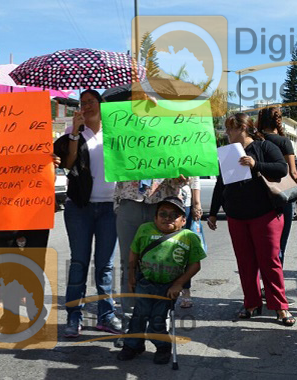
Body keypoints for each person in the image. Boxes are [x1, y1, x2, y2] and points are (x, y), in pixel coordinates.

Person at [207, 113, 295, 326]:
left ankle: (280, 307)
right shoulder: (227, 153)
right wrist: (212, 212)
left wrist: (256, 164)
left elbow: (282, 169)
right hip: (237, 216)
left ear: (242, 128)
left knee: (270, 262)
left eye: (230, 128)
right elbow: (221, 184)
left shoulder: (264, 147)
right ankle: (251, 303)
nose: (227, 133)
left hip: (264, 214)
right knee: (245, 263)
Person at [54, 90, 121, 338]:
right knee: (79, 263)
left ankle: (106, 315)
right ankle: (74, 316)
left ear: (102, 106)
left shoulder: (116, 133)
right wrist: (73, 132)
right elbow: (68, 164)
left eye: (92, 102)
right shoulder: (73, 134)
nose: (87, 106)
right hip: (79, 208)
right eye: (83, 103)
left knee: (106, 265)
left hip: (111, 208)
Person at [117, 197, 205, 364]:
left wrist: (179, 284)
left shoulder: (189, 237)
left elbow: (195, 265)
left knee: (157, 320)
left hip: (168, 287)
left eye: (174, 215)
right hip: (145, 282)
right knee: (138, 316)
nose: (167, 218)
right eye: (162, 214)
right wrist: (131, 275)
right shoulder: (145, 229)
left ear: (184, 220)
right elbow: (133, 252)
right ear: (155, 218)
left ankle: (163, 347)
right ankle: (132, 345)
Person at [257, 106, 297, 266]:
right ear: (279, 121)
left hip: (259, 197)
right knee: (279, 244)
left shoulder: (256, 141)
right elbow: (294, 174)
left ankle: (261, 279)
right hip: (282, 197)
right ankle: (273, 283)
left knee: (260, 243)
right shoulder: (283, 142)